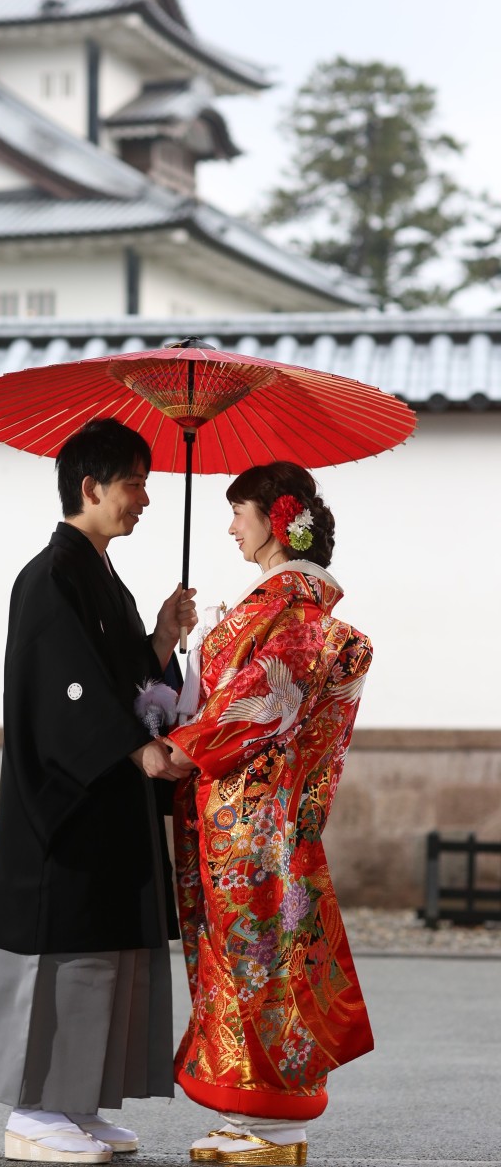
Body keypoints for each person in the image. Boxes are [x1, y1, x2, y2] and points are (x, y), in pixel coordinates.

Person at [0, 417, 198, 1163]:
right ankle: (32, 1110)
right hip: (65, 804)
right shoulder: (49, 576)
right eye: (134, 484)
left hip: (106, 800)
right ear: (90, 487)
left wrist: (161, 638)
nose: (145, 499)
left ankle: (76, 1103)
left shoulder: (102, 577)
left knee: (104, 952)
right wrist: (138, 749)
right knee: (63, 951)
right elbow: (68, 691)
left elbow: (122, 681)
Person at [164, 462, 373, 1167]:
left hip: (255, 820)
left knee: (262, 959)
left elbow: (260, 704)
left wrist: (182, 746)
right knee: (240, 958)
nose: (231, 527)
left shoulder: (297, 614)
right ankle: (245, 1109)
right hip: (244, 813)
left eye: (239, 512)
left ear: (277, 521)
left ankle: (277, 1125)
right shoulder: (280, 607)